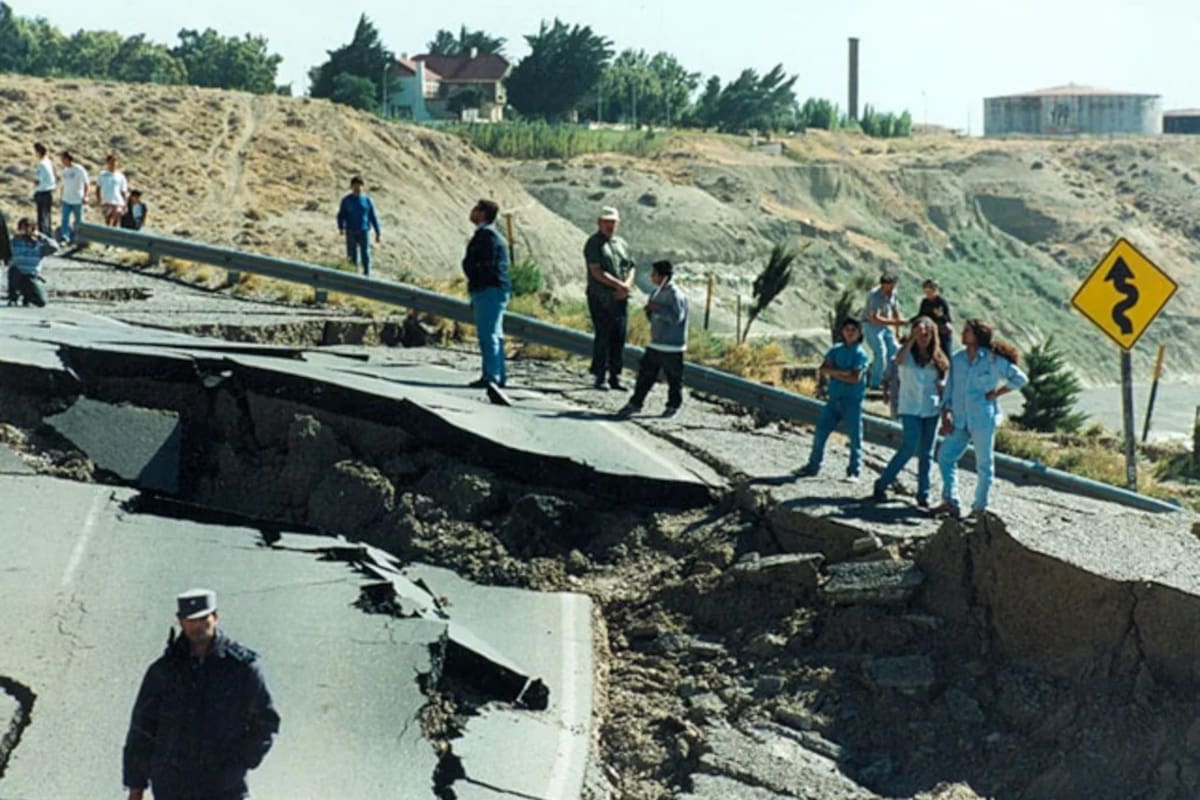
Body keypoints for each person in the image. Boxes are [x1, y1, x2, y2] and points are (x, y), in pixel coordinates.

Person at [123, 588, 280, 800]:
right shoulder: (164, 671)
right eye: (190, 620)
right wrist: (136, 787)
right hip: (173, 787)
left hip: (224, 788)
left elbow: (266, 722)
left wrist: (238, 763)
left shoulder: (241, 669)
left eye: (203, 619)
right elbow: (142, 730)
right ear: (181, 621)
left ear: (215, 617)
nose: (197, 626)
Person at [933, 319, 1028, 519]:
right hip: (959, 420)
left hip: (983, 420)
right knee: (945, 457)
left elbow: (1020, 378)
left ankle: (979, 508)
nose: (963, 333)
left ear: (978, 335)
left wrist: (997, 393)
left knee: (984, 465)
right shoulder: (957, 359)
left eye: (967, 331)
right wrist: (945, 415)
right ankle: (950, 501)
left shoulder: (993, 360)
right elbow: (949, 388)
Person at [872, 317, 949, 507]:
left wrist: (946, 412)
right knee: (909, 447)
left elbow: (943, 386)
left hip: (931, 409)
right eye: (920, 333)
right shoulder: (906, 354)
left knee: (927, 453)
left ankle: (923, 494)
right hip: (910, 408)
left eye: (927, 334)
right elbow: (898, 360)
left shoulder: (938, 359)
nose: (923, 336)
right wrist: (912, 339)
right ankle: (882, 484)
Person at [796, 317, 869, 481]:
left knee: (855, 438)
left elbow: (855, 378)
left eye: (853, 330)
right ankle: (813, 466)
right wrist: (843, 373)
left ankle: (854, 471)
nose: (850, 333)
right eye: (847, 329)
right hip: (834, 399)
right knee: (820, 432)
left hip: (852, 401)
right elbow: (823, 368)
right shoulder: (836, 350)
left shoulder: (860, 354)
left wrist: (834, 373)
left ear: (859, 333)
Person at [617, 259, 688, 419]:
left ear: (663, 276)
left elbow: (677, 317)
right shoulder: (655, 293)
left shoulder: (675, 294)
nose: (651, 277)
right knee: (645, 376)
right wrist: (649, 311)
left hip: (672, 347)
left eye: (654, 274)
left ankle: (673, 406)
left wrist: (658, 308)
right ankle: (635, 403)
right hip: (656, 344)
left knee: (674, 380)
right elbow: (654, 317)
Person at [584, 206, 636, 391]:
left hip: (620, 297)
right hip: (600, 298)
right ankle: (600, 375)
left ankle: (615, 376)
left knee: (619, 336)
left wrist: (626, 285)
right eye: (606, 222)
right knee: (603, 335)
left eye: (613, 222)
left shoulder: (621, 244)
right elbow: (596, 271)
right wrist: (619, 285)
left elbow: (630, 267)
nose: (610, 225)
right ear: (599, 223)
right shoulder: (593, 243)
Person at [461, 199, 511, 388]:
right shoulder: (490, 236)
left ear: (482, 213)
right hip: (494, 289)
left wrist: (477, 284)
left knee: (488, 334)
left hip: (488, 289)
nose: (472, 212)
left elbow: (483, 265)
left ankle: (491, 376)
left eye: (476, 209)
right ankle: (498, 374)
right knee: (495, 333)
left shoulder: (487, 236)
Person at [862, 273, 903, 390]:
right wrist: (894, 323)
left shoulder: (893, 293)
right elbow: (874, 318)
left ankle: (889, 380)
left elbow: (895, 311)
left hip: (886, 325)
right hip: (871, 325)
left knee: (895, 350)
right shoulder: (874, 296)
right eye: (889, 287)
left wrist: (897, 330)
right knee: (880, 352)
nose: (891, 290)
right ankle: (874, 383)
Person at [336, 175, 381, 277]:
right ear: (351, 187)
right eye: (355, 185)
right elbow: (341, 215)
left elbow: (372, 216)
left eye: (360, 185)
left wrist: (377, 232)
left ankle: (366, 276)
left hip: (364, 231)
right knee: (352, 256)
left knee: (365, 254)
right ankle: (352, 276)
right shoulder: (346, 200)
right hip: (351, 231)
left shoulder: (367, 200)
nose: (357, 188)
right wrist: (341, 227)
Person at [8, 217, 58, 307]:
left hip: (32, 276)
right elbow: (4, 245)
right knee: (13, 272)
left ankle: (28, 297)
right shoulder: (15, 242)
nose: (26, 231)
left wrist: (40, 236)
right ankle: (13, 297)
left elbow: (55, 247)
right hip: (18, 274)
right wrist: (14, 236)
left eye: (28, 228)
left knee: (41, 302)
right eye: (23, 228)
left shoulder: (39, 245)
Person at [914, 278, 953, 354]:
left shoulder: (941, 302)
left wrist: (940, 315)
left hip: (941, 332)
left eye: (930, 290)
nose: (928, 293)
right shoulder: (925, 302)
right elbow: (921, 315)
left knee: (945, 353)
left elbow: (948, 319)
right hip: (929, 331)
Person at [58, 151, 89, 245]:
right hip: (66, 199)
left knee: (79, 220)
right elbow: (63, 185)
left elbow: (86, 182)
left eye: (63, 159)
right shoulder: (64, 171)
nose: (62, 161)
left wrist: (85, 195)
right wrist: (61, 197)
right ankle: (65, 237)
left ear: (68, 159)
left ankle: (79, 238)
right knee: (65, 219)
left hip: (77, 199)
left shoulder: (79, 169)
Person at [96, 153, 130, 227]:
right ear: (107, 162)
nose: (113, 163)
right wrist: (99, 200)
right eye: (111, 161)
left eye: (115, 161)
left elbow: (123, 191)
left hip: (117, 202)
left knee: (116, 220)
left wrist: (125, 204)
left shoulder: (120, 176)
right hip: (107, 201)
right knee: (108, 220)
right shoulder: (103, 175)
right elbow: (98, 189)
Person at [33, 142, 56, 237]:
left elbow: (38, 180)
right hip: (48, 192)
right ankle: (48, 234)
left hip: (42, 192)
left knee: (42, 217)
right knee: (47, 216)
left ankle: (44, 236)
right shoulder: (48, 162)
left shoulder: (41, 164)